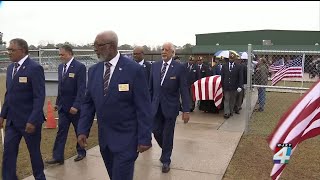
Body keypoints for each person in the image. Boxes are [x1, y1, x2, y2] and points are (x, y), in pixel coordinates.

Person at [77, 30, 152, 180]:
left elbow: (143, 107)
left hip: (127, 140)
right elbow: (88, 104)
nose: (95, 49)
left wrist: (145, 138)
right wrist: (83, 130)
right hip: (105, 140)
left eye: (98, 45)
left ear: (110, 46)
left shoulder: (134, 70)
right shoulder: (93, 71)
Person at [0, 38, 46, 180]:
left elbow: (39, 97)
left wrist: (32, 120)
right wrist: (2, 115)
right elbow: (9, 94)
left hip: (29, 122)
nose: (9, 53)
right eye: (8, 50)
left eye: (12, 50)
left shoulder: (34, 68)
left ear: (22, 50)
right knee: (8, 152)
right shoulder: (10, 69)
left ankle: (40, 177)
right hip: (13, 122)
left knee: (34, 153)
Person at [149, 42, 190, 173]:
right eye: (162, 49)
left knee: (168, 134)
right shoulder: (154, 66)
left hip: (171, 107)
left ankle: (166, 160)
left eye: (167, 50)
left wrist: (186, 110)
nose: (164, 52)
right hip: (155, 107)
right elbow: (150, 88)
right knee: (156, 132)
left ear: (173, 53)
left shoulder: (179, 67)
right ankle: (166, 149)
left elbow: (184, 89)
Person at [46, 45, 87, 165]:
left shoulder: (80, 67)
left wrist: (76, 105)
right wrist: (57, 103)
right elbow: (61, 88)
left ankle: (81, 152)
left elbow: (81, 88)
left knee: (79, 131)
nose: (60, 57)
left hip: (75, 108)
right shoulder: (60, 67)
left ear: (69, 53)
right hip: (63, 108)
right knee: (61, 132)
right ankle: (58, 156)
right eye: (59, 54)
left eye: (62, 54)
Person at [221, 51, 243, 118]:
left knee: (232, 100)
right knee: (226, 99)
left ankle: (231, 111)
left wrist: (240, 86)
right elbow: (222, 76)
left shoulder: (238, 67)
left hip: (234, 86)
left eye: (232, 59)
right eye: (230, 58)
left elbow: (240, 77)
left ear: (234, 59)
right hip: (226, 86)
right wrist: (222, 85)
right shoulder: (224, 66)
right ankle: (226, 113)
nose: (231, 60)